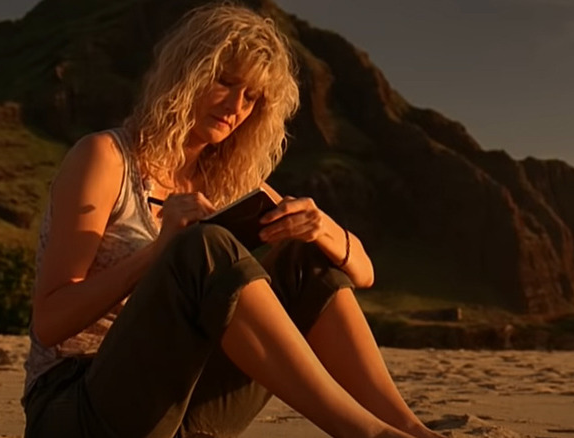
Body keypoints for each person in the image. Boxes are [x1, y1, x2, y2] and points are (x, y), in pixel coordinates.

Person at [22, 3, 445, 438]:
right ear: (187, 74)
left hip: (177, 408)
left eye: (252, 98)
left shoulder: (227, 184)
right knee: (203, 248)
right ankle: (366, 434)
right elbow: (50, 320)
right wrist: (157, 254)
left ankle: (408, 428)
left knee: (299, 252)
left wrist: (324, 229)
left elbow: (364, 274)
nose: (236, 107)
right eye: (225, 82)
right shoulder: (106, 158)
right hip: (75, 405)